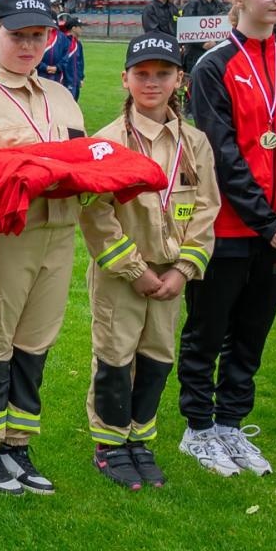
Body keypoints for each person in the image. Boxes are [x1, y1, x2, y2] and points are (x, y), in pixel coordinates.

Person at [176, 0, 276, 477]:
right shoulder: (213, 65)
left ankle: (232, 425)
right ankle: (198, 428)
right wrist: (268, 221)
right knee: (208, 329)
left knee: (254, 331)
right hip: (231, 227)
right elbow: (221, 153)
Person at [0, 0, 84, 495]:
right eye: (17, 36)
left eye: (37, 36)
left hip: (59, 232)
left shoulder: (61, 96)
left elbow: (80, 160)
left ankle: (18, 445)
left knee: (35, 343)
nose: (28, 46)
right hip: (6, 236)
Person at [79, 34, 218, 490]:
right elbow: (97, 216)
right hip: (124, 276)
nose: (152, 82)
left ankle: (139, 438)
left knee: (158, 357)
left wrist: (183, 270)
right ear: (125, 79)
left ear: (181, 78)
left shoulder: (194, 142)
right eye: (142, 74)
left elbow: (205, 208)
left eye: (163, 73)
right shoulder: (107, 143)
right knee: (116, 358)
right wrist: (137, 272)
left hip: (171, 277)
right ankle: (110, 444)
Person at [180, 0, 227, 75]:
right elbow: (186, 27)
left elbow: (224, 25)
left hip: (213, 50)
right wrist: (202, 43)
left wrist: (215, 41)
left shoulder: (218, 5)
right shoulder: (193, 4)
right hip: (194, 52)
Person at [38, 14, 85, 99]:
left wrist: (81, 77)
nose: (82, 29)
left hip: (71, 79)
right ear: (74, 28)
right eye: (80, 27)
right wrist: (46, 67)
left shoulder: (76, 43)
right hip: (64, 79)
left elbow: (80, 62)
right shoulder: (66, 40)